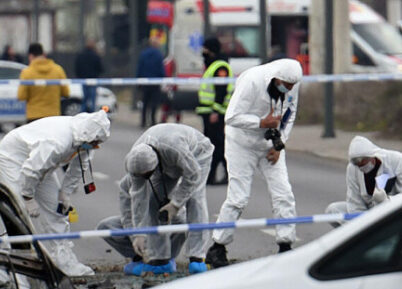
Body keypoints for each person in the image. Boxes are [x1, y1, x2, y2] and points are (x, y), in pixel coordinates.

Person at [206, 59, 302, 268]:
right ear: (277, 78)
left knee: (284, 194)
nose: (289, 89)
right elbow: (231, 117)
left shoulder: (292, 83)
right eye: (286, 85)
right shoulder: (252, 80)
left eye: (292, 86)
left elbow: (290, 113)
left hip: (270, 144)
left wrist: (280, 144)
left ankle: (285, 246)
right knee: (238, 198)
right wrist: (260, 122)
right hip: (241, 143)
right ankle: (218, 247)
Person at [0, 109, 111, 277]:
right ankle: (13, 263)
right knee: (17, 211)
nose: (95, 146)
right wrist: (27, 197)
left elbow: (79, 166)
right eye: (94, 142)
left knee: (56, 210)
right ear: (87, 136)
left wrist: (65, 193)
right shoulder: (58, 142)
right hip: (13, 158)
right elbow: (31, 170)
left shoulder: (86, 139)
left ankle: (63, 260)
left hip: (40, 164)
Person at [124, 124, 214, 275]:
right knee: (154, 202)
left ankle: (197, 258)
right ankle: (160, 260)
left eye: (148, 174)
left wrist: (175, 204)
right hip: (165, 162)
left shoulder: (174, 148)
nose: (145, 178)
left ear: (154, 165)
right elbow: (138, 198)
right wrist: (139, 233)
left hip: (197, 153)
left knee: (194, 199)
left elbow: (193, 175)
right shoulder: (134, 161)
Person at [96, 174, 187, 275]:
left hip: (163, 223)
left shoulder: (168, 179)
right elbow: (127, 217)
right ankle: (139, 257)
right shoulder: (126, 184)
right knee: (105, 226)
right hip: (139, 223)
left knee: (183, 222)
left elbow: (179, 214)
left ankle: (167, 259)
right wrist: (136, 238)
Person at [325, 136, 402, 224]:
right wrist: (361, 223)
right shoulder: (352, 168)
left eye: (363, 160)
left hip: (393, 211)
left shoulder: (398, 161)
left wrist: (386, 200)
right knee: (332, 210)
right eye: (356, 162)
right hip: (368, 213)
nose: (360, 165)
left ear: (372, 156)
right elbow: (354, 202)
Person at [196, 37, 233, 185]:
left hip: (215, 113)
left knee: (217, 145)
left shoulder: (220, 67)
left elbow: (221, 91)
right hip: (208, 111)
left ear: (211, 50)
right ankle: (212, 176)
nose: (203, 51)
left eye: (205, 49)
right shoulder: (213, 65)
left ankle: (224, 174)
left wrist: (215, 112)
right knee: (213, 144)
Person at [18, 42, 70, 123]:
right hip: (53, 115)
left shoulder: (27, 72)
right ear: (44, 54)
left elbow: (21, 96)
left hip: (34, 116)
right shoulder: (58, 70)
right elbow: (66, 92)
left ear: (31, 56)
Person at [136, 36, 166, 128]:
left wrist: (138, 79)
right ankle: (153, 120)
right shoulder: (159, 55)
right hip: (155, 82)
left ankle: (143, 121)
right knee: (154, 102)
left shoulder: (143, 54)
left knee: (145, 102)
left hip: (145, 81)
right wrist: (162, 79)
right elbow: (161, 69)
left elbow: (140, 67)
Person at [74, 39, 104, 113]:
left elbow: (77, 67)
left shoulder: (81, 55)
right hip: (93, 80)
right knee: (92, 99)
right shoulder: (95, 56)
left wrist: (79, 76)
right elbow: (100, 68)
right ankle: (92, 113)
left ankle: (83, 113)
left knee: (85, 98)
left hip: (83, 79)